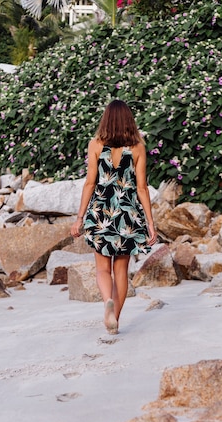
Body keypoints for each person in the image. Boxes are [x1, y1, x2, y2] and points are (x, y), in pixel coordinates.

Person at [71, 100, 157, 334]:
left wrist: (79, 218)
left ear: (106, 119)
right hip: (127, 215)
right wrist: (150, 223)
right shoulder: (138, 147)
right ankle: (114, 319)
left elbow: (90, 182)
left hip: (101, 213)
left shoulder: (96, 145)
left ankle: (107, 300)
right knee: (121, 271)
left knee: (102, 270)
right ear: (130, 120)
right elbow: (142, 188)